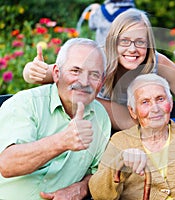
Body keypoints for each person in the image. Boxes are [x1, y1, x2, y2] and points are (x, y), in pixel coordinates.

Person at [23, 9, 175, 131]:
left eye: (140, 41)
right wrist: (33, 71)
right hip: (91, 130)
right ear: (114, 41)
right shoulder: (98, 60)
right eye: (125, 41)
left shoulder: (157, 62)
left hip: (134, 131)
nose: (133, 48)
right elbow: (46, 72)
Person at [0, 38, 111, 200]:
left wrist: (81, 188)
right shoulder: (25, 103)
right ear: (57, 74)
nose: (84, 82)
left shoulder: (100, 117)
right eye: (75, 71)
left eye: (94, 75)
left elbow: (98, 171)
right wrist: (62, 141)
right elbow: (7, 165)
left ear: (101, 82)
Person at [88, 73, 175, 200]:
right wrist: (118, 164)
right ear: (132, 111)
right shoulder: (120, 141)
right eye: (145, 102)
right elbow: (100, 195)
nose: (155, 108)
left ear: (170, 104)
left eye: (160, 99)